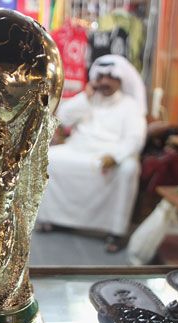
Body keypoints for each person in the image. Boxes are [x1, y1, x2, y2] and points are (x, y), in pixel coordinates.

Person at [37, 54, 147, 252]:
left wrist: (116, 157)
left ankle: (115, 231)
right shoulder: (89, 99)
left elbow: (135, 138)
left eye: (109, 77)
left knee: (128, 169)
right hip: (78, 148)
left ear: (120, 80)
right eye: (100, 77)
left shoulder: (130, 106)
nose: (104, 82)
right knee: (49, 159)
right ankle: (51, 219)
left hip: (110, 155)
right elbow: (63, 118)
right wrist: (85, 97)